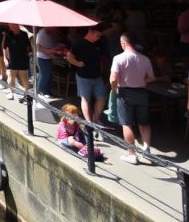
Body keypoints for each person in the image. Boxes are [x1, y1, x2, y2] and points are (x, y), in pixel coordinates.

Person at [109, 34, 155, 164]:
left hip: (125, 92)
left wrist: (114, 89)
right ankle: (147, 151)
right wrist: (141, 80)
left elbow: (113, 78)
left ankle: (131, 154)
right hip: (141, 92)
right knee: (144, 122)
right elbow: (152, 78)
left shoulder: (118, 58)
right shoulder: (145, 59)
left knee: (127, 123)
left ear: (123, 43)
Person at [66, 24, 109, 128]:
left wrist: (103, 68)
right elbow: (69, 56)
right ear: (91, 32)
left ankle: (95, 119)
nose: (98, 38)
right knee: (85, 99)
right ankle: (89, 122)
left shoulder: (99, 43)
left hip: (97, 75)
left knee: (102, 97)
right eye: (97, 35)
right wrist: (77, 63)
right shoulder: (79, 43)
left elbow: (103, 57)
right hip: (83, 76)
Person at [2, 24, 31, 102]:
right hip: (12, 58)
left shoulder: (24, 34)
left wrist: (28, 52)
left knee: (24, 78)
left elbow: (28, 47)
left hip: (23, 58)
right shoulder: (8, 35)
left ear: (17, 25)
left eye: (11, 24)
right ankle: (11, 92)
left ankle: (26, 94)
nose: (10, 26)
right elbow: (4, 47)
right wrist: (5, 58)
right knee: (11, 77)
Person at [35, 27, 62, 99]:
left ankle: (46, 91)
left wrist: (53, 50)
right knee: (44, 75)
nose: (54, 30)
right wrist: (52, 51)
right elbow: (38, 48)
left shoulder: (49, 34)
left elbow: (50, 45)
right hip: (42, 58)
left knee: (47, 75)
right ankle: (41, 92)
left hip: (48, 57)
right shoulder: (41, 34)